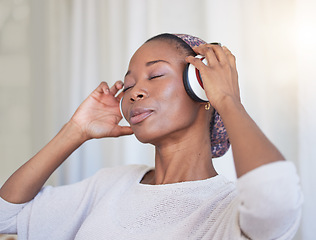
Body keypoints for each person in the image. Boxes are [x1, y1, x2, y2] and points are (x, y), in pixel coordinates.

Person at [0, 33, 302, 239]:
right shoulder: (111, 184)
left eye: (155, 75)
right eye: (128, 85)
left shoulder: (228, 208)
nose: (135, 93)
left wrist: (228, 100)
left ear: (200, 87)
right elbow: (6, 216)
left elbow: (274, 197)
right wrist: (75, 131)